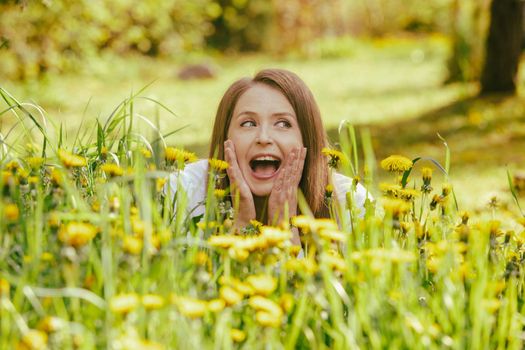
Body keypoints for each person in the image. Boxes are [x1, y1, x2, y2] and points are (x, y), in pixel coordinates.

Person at [167, 68, 369, 244]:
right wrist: (242, 227)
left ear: (307, 139)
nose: (263, 138)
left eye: (283, 123)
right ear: (225, 137)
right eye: (248, 123)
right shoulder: (184, 193)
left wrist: (285, 229)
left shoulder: (350, 204)